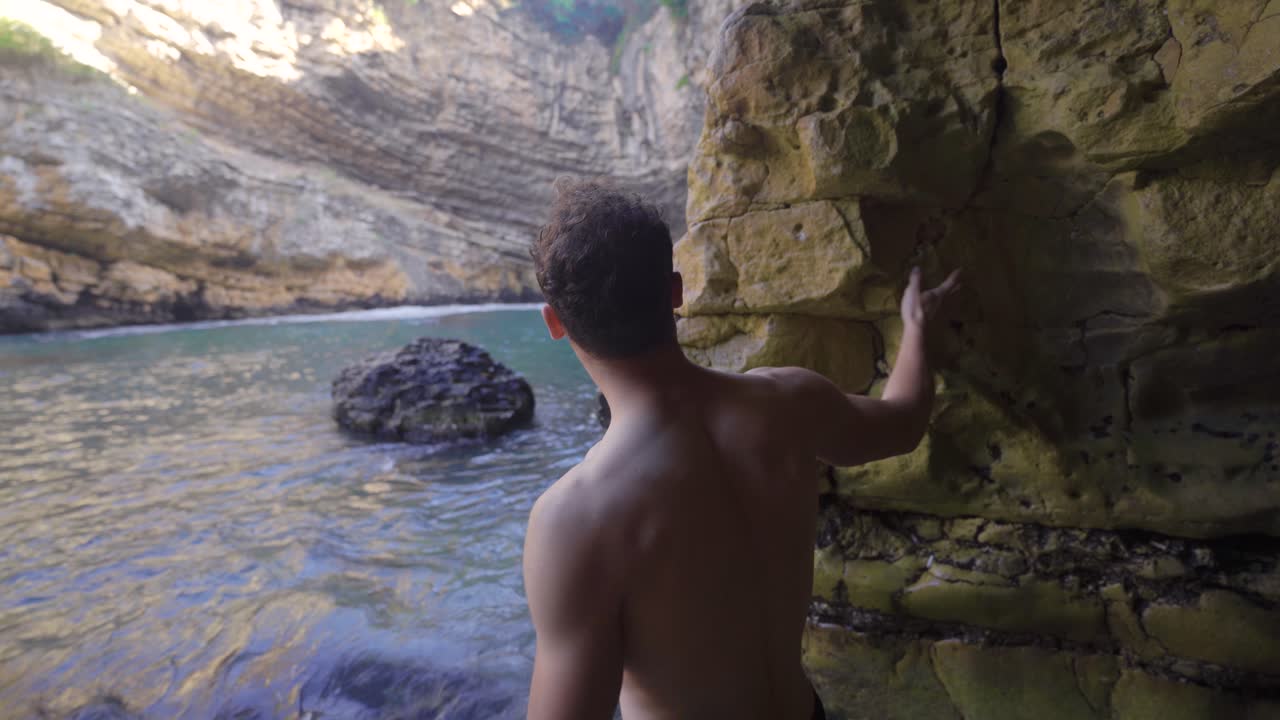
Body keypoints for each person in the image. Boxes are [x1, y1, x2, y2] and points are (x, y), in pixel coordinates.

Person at [522, 180, 961, 720]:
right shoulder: (788, 402)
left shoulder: (577, 516)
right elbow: (902, 424)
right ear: (676, 290)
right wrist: (917, 329)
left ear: (555, 323)